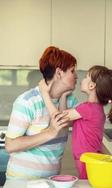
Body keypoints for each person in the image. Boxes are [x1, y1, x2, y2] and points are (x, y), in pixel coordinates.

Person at [5, 46, 78, 180]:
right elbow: (10, 145)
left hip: (51, 181)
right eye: (72, 71)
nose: (76, 76)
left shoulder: (71, 101)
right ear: (59, 73)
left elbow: (65, 123)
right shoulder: (28, 101)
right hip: (21, 181)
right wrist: (49, 132)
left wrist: (63, 97)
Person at [39, 65, 112, 179]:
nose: (81, 79)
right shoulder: (92, 108)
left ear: (92, 85)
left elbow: (59, 118)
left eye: (86, 77)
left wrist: (44, 94)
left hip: (88, 160)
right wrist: (63, 96)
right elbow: (65, 121)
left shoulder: (88, 109)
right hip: (91, 158)